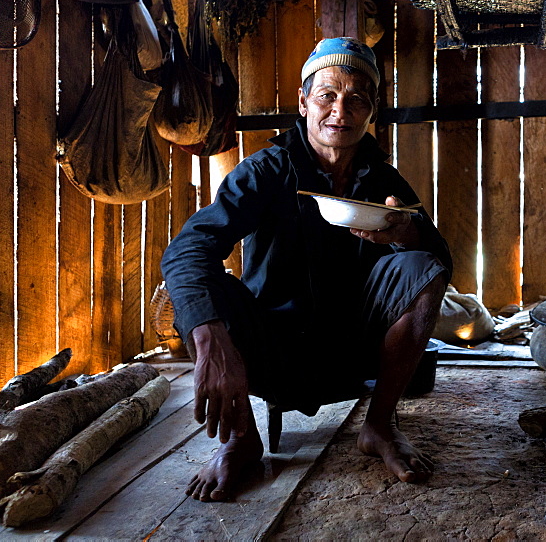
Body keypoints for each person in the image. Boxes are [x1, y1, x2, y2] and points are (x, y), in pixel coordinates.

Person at [161, 37, 452, 501]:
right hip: (271, 346)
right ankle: (241, 439)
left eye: (357, 99)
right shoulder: (267, 170)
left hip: (354, 348)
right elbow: (186, 249)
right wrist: (210, 336)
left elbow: (439, 262)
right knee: (200, 288)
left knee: (422, 267)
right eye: (328, 96)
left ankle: (377, 427)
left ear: (371, 109)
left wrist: (404, 234)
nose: (341, 110)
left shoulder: (381, 178)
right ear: (303, 101)